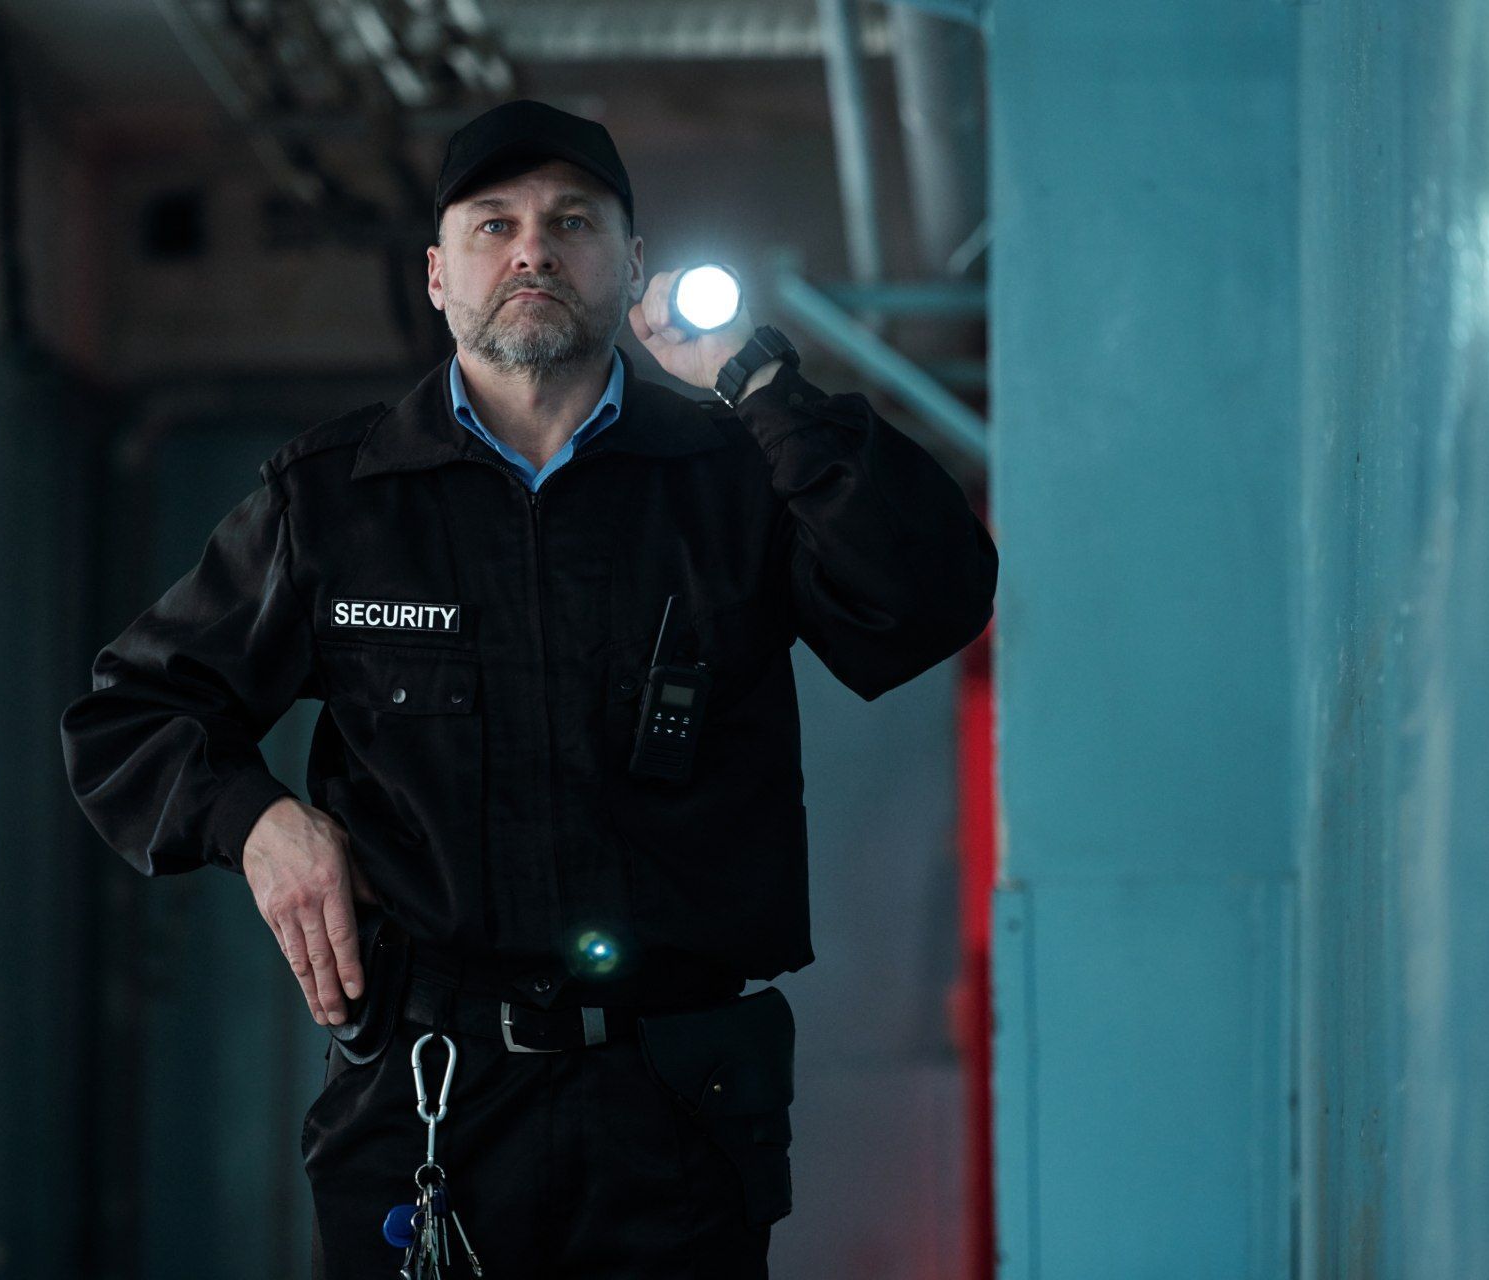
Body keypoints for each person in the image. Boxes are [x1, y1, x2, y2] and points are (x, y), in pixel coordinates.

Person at [58, 98, 998, 1279]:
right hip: (427, 1099)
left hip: (678, 1107)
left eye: (572, 221)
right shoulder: (340, 500)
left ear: (635, 265)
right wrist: (259, 821)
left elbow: (930, 598)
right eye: (492, 225)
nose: (533, 250)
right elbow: (129, 713)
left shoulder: (731, 479)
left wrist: (760, 386)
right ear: (441, 275)